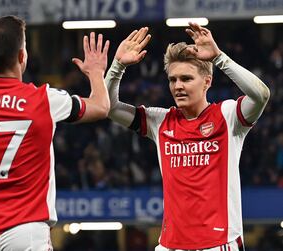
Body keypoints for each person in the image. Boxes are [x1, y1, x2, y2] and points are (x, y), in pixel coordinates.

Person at [0, 15, 110, 251]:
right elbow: (101, 107)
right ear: (22, 56)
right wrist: (95, 72)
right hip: (26, 230)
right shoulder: (44, 100)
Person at [105, 23, 270, 250]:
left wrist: (219, 57)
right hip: (171, 244)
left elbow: (261, 95)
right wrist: (118, 67)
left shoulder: (228, 116)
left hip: (218, 243)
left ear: (207, 82)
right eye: (173, 80)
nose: (178, 86)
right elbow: (110, 108)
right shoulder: (160, 121)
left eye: (186, 78)